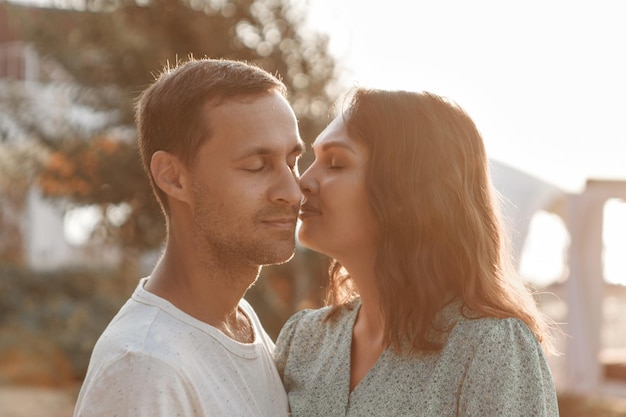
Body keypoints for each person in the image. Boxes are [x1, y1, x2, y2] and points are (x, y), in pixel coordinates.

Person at [275, 88, 559, 416]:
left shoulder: (489, 347)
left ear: (406, 191)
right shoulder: (304, 341)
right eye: (312, 161)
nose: (303, 182)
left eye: (336, 163)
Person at [74, 57, 304, 417]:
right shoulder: (144, 368)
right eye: (257, 166)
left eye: (292, 162)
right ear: (173, 177)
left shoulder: (238, 320)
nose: (293, 192)